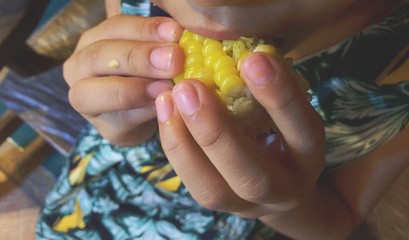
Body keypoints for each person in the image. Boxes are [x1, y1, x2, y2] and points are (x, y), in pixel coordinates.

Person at [36, 0, 409, 239]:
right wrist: (116, 120)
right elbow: (120, 94)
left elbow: (340, 217)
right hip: (91, 198)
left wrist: (277, 202)